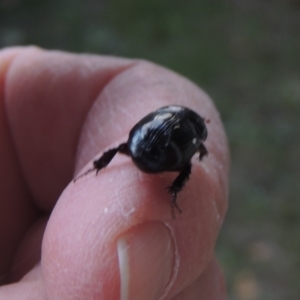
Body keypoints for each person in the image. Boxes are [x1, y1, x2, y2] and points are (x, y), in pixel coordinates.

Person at [0, 47, 229, 300]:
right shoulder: (193, 133)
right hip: (161, 157)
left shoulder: (164, 114)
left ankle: (101, 168)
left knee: (123, 150)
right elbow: (198, 153)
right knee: (185, 168)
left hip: (139, 146)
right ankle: (168, 192)